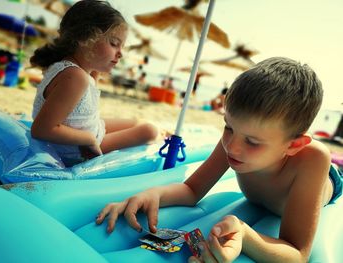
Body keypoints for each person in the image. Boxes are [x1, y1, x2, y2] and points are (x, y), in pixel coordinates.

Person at [96, 57, 343, 262]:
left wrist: (246, 236)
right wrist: (154, 194)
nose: (231, 146)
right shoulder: (238, 140)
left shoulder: (311, 159)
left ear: (293, 145)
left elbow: (298, 253)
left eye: (253, 142)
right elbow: (192, 189)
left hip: (329, 182)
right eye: (227, 127)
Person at [30, 0, 158, 166]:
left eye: (122, 47)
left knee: (136, 122)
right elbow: (41, 129)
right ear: (85, 39)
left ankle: (158, 132)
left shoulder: (75, 69)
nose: (120, 54)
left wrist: (100, 65)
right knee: (150, 131)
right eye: (114, 43)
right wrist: (88, 140)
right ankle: (160, 136)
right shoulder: (75, 77)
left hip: (86, 130)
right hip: (75, 148)